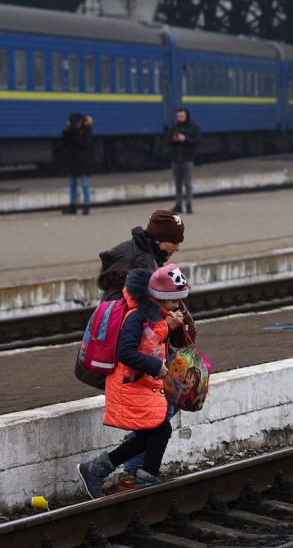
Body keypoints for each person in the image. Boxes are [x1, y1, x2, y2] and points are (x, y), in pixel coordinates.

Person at [94, 209, 194, 491]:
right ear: (160, 239)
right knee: (161, 411)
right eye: (175, 242)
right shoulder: (138, 262)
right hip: (134, 354)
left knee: (162, 409)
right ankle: (134, 471)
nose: (177, 248)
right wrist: (164, 322)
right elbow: (133, 314)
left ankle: (134, 468)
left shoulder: (147, 256)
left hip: (146, 347)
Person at [76, 264, 191, 498]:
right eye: (172, 301)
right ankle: (146, 482)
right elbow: (125, 352)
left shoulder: (153, 315)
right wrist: (155, 366)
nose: (176, 305)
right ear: (159, 298)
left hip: (142, 385)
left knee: (149, 435)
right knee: (161, 431)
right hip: (129, 386)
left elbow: (151, 339)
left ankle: (95, 470)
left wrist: (172, 325)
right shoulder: (137, 316)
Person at [169, 107, 201, 214]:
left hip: (187, 158)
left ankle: (188, 205)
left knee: (187, 183)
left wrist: (185, 139)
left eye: (182, 116)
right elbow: (167, 140)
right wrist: (173, 139)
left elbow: (197, 141)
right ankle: (178, 204)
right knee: (178, 183)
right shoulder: (174, 127)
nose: (180, 118)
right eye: (178, 116)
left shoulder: (193, 127)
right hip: (176, 159)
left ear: (186, 116)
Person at [62, 112, 94, 215]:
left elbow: (85, 144)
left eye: (77, 123)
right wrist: (67, 132)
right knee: (72, 184)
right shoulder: (71, 131)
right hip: (73, 161)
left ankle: (87, 205)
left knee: (85, 184)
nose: (76, 125)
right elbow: (64, 142)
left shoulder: (87, 130)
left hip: (83, 162)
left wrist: (74, 134)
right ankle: (73, 205)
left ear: (81, 121)